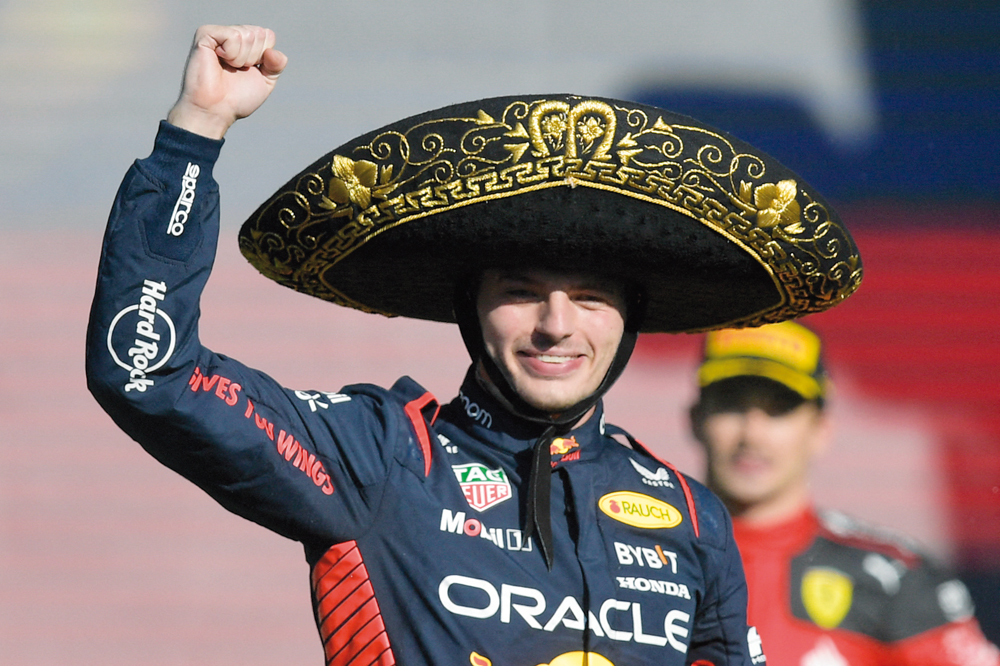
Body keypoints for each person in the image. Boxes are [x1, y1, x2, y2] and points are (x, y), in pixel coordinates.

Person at [86, 24, 863, 666]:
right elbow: (146, 370)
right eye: (522, 291)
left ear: (631, 319)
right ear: (470, 309)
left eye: (592, 297)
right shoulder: (384, 457)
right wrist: (195, 134)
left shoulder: (690, 516)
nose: (558, 324)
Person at [689, 320, 1000, 666]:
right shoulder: (636, 553)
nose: (753, 434)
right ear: (695, 418)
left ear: (822, 429)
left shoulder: (895, 578)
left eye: (780, 408)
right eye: (731, 403)